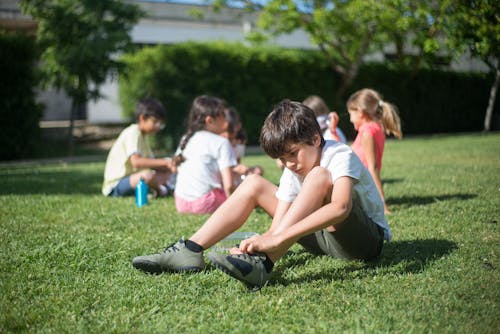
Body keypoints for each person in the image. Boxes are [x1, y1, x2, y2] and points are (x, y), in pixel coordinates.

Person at [132, 100, 391, 290]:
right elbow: (280, 222)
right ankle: (190, 249)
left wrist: (278, 240)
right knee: (254, 183)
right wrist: (263, 240)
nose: (289, 163)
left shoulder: (338, 154)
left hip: (363, 242)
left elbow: (340, 209)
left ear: (314, 139)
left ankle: (263, 265)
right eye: (282, 158)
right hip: (323, 240)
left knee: (319, 176)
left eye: (292, 153)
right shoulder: (292, 170)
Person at [173, 95, 237, 215]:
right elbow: (229, 186)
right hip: (206, 203)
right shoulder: (222, 143)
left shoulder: (186, 138)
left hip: (181, 203)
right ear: (209, 120)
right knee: (244, 190)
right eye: (223, 116)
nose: (226, 120)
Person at [102, 97, 175, 197]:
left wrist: (168, 166)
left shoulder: (143, 137)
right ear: (142, 118)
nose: (158, 126)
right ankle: (161, 190)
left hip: (133, 180)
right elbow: (136, 162)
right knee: (147, 176)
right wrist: (165, 162)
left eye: (160, 123)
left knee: (165, 172)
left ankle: (165, 188)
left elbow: (151, 163)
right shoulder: (133, 132)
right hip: (116, 185)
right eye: (155, 122)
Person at [347, 88, 402, 214]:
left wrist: (382, 204)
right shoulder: (376, 127)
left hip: (358, 181)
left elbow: (373, 167)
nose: (350, 120)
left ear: (360, 112)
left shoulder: (367, 132)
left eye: (351, 114)